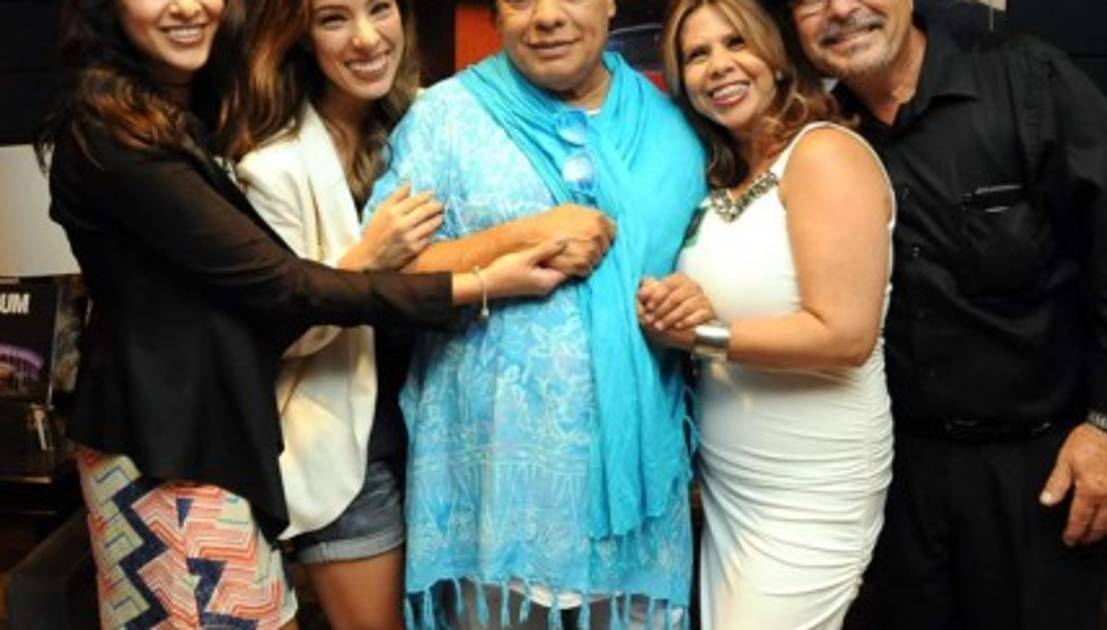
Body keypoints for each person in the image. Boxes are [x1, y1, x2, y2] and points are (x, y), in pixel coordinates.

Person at [39, 0, 568, 627]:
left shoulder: (184, 112)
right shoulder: (114, 135)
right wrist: (476, 283)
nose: (186, 6)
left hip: (211, 438)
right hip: (166, 442)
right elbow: (284, 287)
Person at [777, 0, 1107, 627]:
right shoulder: (817, 136)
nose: (841, 9)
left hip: (1039, 468)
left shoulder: (1027, 81)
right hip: (895, 473)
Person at [363, 0, 709, 626]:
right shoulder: (444, 118)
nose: (546, 17)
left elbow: (716, 268)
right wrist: (518, 238)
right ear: (496, 16)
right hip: (495, 497)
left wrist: (695, 298)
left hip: (635, 508)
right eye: (520, 1)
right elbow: (381, 279)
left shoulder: (674, 130)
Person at [644, 0, 894, 627]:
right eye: (696, 55)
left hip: (812, 485)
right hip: (732, 483)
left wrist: (698, 335)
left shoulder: (823, 153)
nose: (718, 66)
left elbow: (845, 335)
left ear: (777, 58)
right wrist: (680, 300)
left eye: (737, 44)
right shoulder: (719, 182)